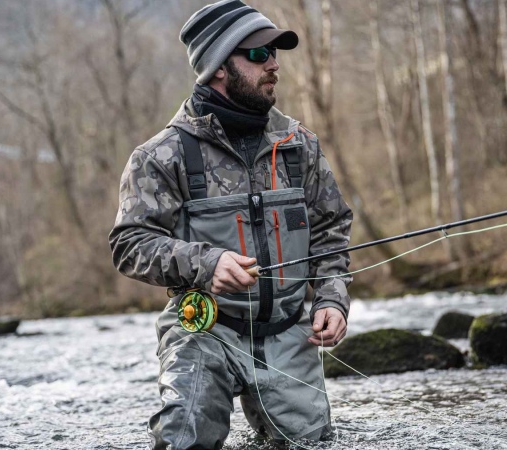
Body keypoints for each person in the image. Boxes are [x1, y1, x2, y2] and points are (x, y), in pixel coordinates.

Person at [108, 1, 353, 448]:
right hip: (204, 330)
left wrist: (333, 300)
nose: (274, 64)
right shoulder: (161, 156)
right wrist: (206, 263)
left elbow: (331, 229)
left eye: (275, 53)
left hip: (286, 331)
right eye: (259, 55)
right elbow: (129, 244)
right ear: (218, 67)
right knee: (183, 441)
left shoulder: (300, 146)